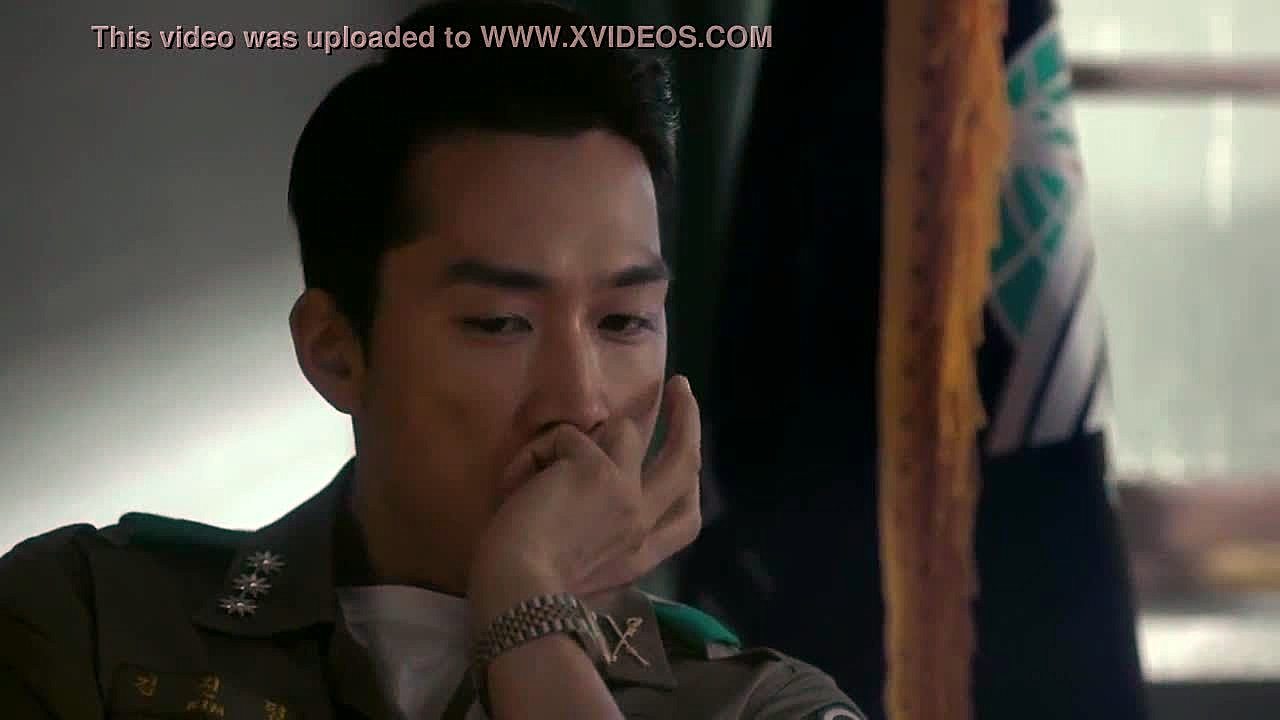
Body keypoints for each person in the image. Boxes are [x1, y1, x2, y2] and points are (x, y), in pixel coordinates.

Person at [0, 1, 864, 717]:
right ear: (336, 354)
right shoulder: (91, 622)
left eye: (623, 321)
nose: (580, 400)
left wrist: (528, 610)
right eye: (499, 322)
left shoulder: (758, 704)